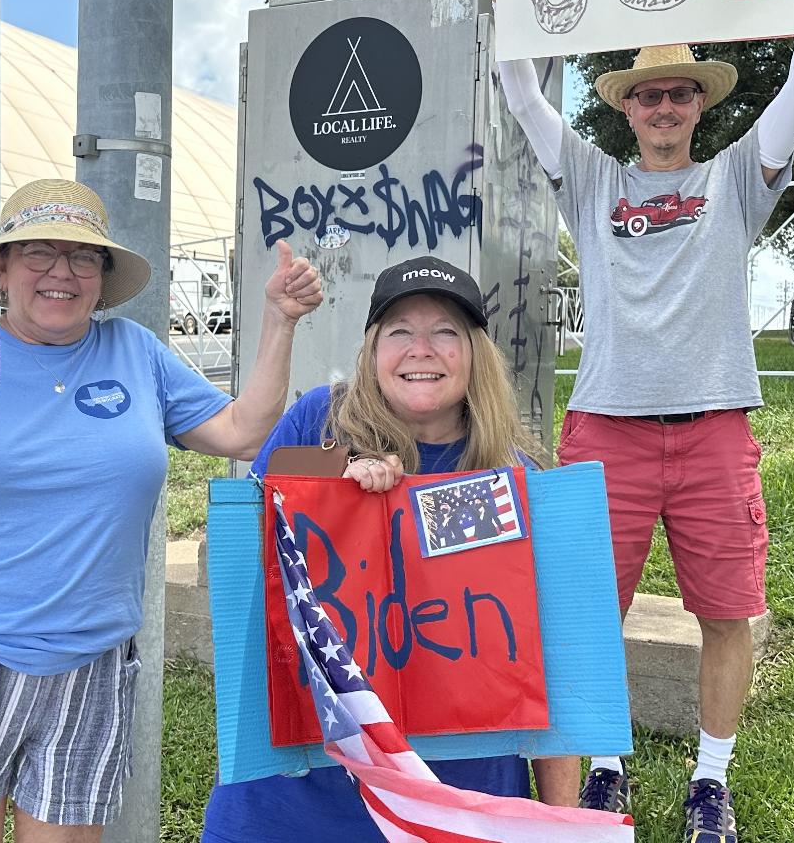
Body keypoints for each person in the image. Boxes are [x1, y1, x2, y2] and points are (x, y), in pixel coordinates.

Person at [478, 0, 794, 838]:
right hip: (606, 423)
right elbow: (524, 92)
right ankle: (606, 769)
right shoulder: (593, 178)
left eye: (680, 93)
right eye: (646, 94)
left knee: (727, 611)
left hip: (715, 426)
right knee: (584, 614)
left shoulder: (734, 179)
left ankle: (710, 782)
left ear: (699, 105)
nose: (662, 106)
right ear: (626, 108)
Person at [0, 178, 323, 843]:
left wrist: (279, 321)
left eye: (83, 257)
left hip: (92, 654)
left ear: (103, 278)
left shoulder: (134, 353)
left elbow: (242, 433)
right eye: (37, 254)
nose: (62, 273)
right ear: (2, 268)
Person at [200, 255, 550, 842]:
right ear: (372, 351)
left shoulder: (515, 478)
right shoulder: (319, 419)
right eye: (400, 332)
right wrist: (334, 493)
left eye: (445, 331)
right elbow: (241, 563)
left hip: (456, 800)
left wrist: (553, 820)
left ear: (476, 353)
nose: (422, 349)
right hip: (295, 797)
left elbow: (552, 669)